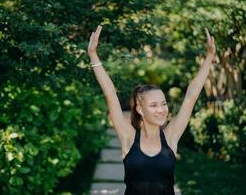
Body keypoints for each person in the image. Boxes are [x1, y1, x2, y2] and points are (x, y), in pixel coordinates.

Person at [87, 25, 216, 195]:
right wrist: (93, 55)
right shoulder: (128, 137)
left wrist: (209, 57)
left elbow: (191, 95)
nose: (161, 110)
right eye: (154, 105)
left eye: (163, 104)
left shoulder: (170, 137)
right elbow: (110, 93)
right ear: (140, 109)